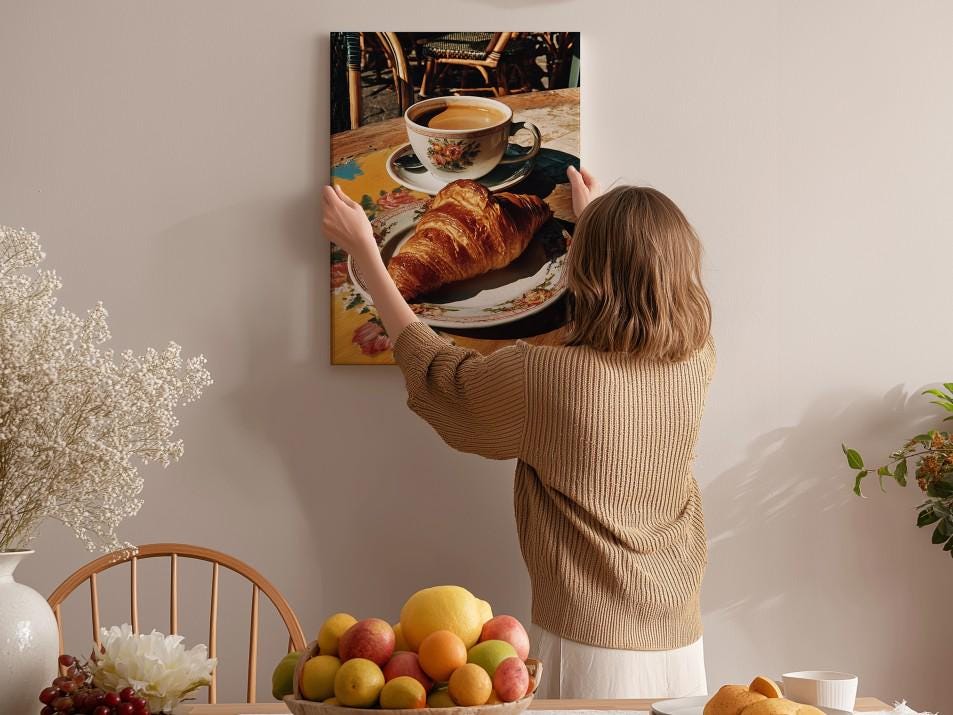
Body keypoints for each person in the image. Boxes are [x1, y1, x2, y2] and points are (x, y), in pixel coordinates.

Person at [321, 166, 715, 699]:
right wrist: (596, 226)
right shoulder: (697, 359)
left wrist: (367, 253)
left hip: (588, 644)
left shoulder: (546, 377)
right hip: (682, 639)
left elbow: (441, 376)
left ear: (586, 268)